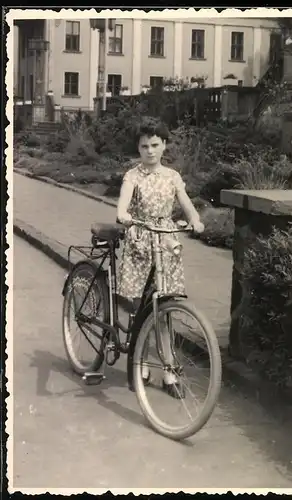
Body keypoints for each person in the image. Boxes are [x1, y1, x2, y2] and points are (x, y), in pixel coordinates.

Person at [117, 117, 204, 398]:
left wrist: (195, 219)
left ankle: (169, 372)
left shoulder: (172, 177)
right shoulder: (133, 176)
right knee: (140, 308)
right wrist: (124, 215)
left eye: (155, 145)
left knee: (165, 309)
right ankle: (138, 364)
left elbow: (186, 203)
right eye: (144, 146)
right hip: (141, 241)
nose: (150, 151)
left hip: (165, 243)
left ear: (164, 145)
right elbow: (123, 204)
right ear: (138, 148)